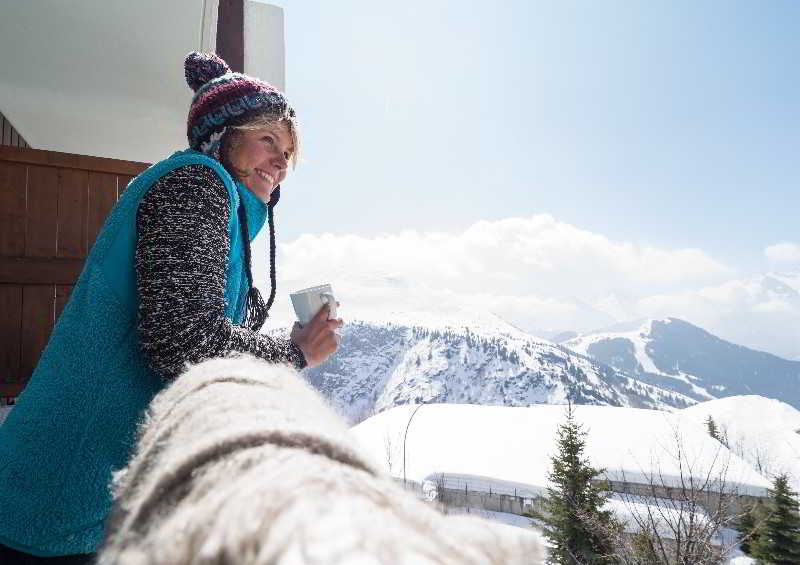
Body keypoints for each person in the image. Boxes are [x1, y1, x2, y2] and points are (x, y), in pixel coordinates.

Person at [0, 52, 342, 563]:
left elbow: (197, 336)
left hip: (92, 490)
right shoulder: (196, 186)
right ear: (220, 136)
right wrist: (293, 354)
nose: (280, 162)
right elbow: (180, 341)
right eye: (268, 139)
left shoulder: (222, 213)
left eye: (288, 152)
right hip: (63, 490)